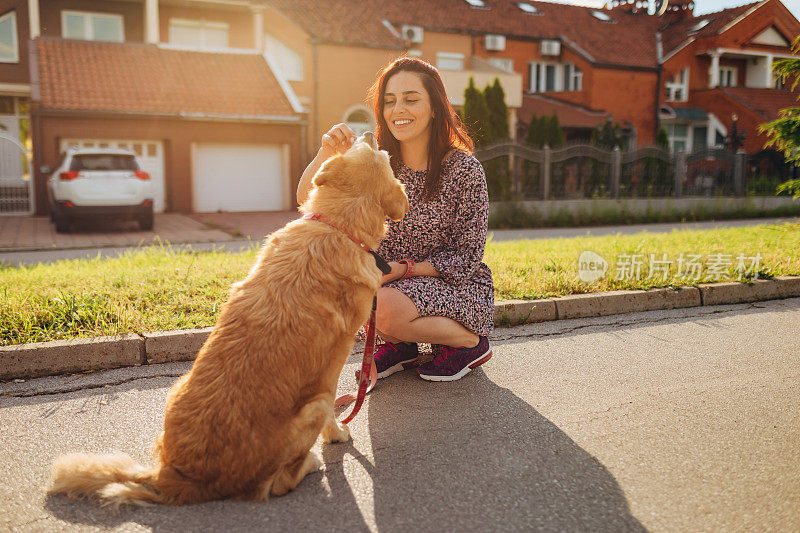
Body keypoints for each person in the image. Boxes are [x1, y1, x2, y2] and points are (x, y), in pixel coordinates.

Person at [296, 57, 494, 382]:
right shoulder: (376, 163)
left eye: (411, 99)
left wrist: (401, 270)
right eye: (389, 101)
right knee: (356, 294)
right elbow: (307, 199)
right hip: (388, 282)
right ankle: (402, 345)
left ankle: (469, 343)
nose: (398, 109)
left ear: (434, 108)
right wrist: (326, 153)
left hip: (455, 284)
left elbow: (467, 257)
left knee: (383, 304)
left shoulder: (465, 171)